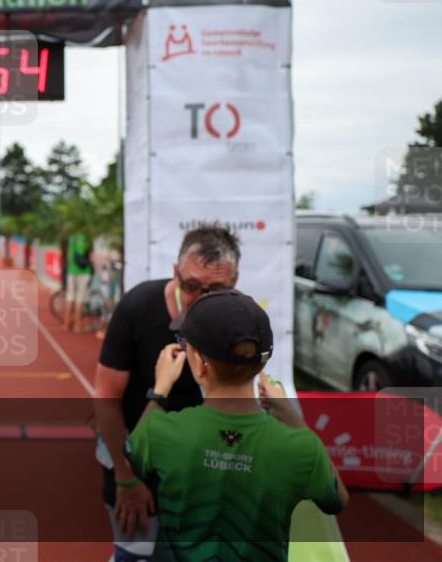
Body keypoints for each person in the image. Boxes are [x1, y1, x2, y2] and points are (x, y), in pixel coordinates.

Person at [124, 289, 347, 560]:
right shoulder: (301, 447)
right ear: (261, 362)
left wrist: (160, 389)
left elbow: (133, 454)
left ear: (199, 363)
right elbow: (337, 499)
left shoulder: (161, 431)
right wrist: (290, 414)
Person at [93, 225, 240, 559]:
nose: (202, 299)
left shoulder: (237, 319)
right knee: (136, 552)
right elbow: (105, 395)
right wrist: (126, 478)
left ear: (235, 281)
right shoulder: (137, 306)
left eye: (216, 289)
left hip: (196, 463)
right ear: (175, 272)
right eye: (192, 286)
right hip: (134, 452)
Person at [64, 231, 92, 332]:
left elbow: (68, 255)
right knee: (80, 298)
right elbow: (91, 256)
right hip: (84, 271)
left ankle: (66, 323)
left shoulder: (72, 237)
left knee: (70, 296)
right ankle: (77, 324)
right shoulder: (86, 237)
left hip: (72, 270)